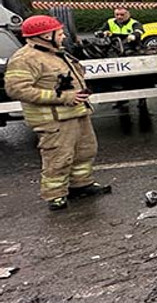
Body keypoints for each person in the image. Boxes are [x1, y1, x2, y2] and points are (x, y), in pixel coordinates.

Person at [3, 15, 111, 211]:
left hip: (75, 112)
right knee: (58, 157)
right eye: (59, 33)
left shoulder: (53, 52)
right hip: (54, 119)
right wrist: (63, 97)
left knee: (85, 151)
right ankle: (56, 195)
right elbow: (17, 90)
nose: (63, 36)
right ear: (45, 35)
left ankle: (81, 184)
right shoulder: (25, 59)